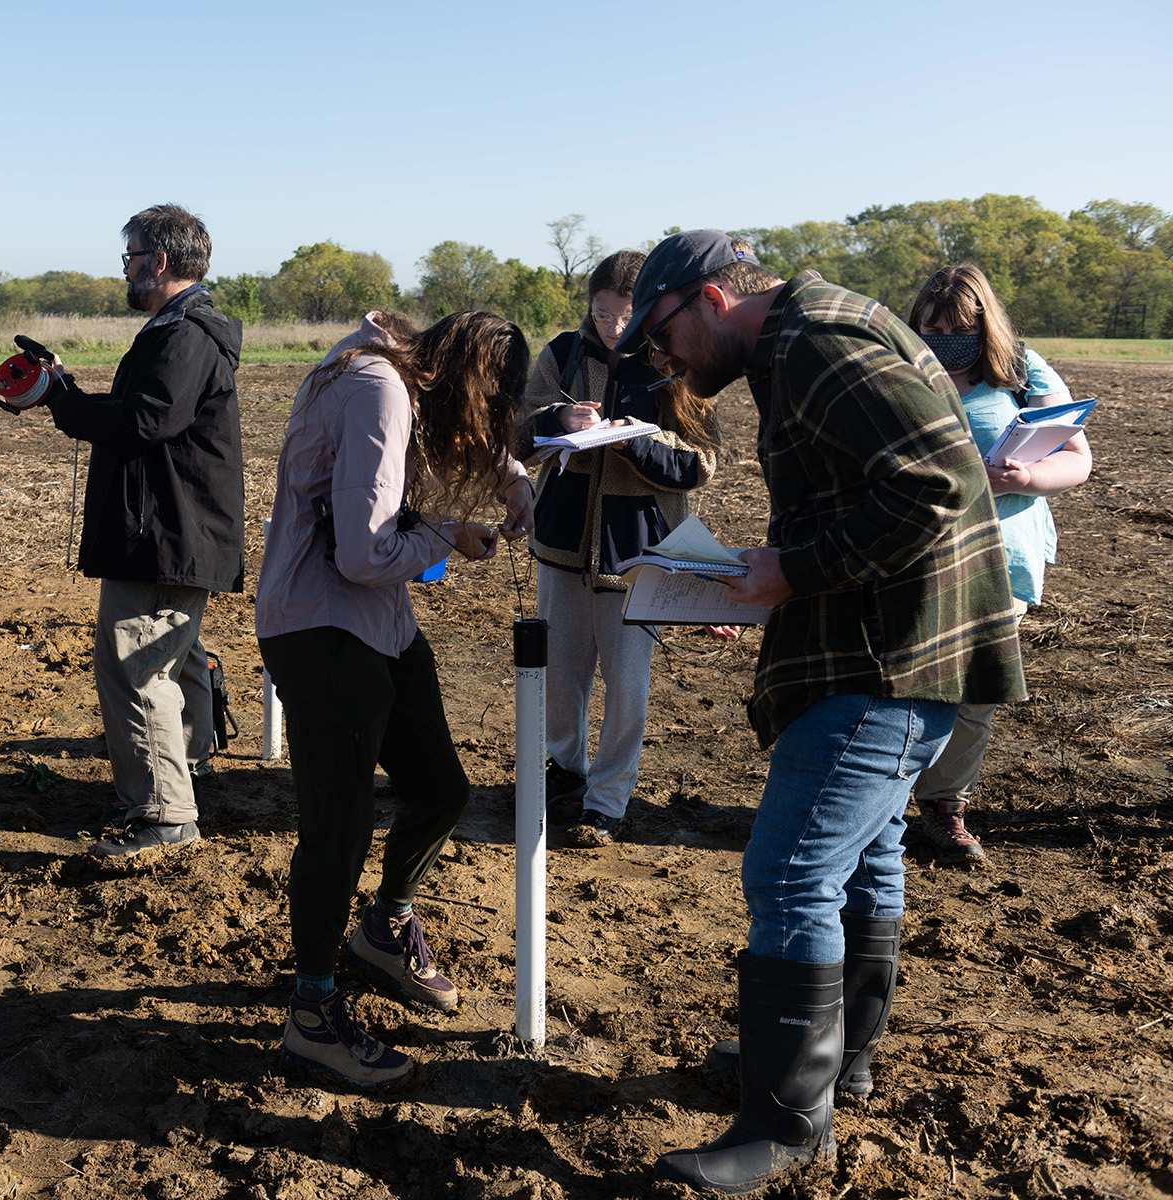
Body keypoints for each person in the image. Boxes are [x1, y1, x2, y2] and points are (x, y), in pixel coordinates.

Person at [613, 231, 1025, 1193]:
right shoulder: (825, 325)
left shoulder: (814, 344)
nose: (660, 356)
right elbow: (873, 485)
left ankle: (787, 1121)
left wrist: (792, 570)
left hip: (883, 660)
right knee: (863, 860)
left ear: (712, 298)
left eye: (663, 330)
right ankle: (840, 1063)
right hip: (892, 645)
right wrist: (758, 579)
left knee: (792, 871)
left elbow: (938, 481)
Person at [256, 309, 535, 1089]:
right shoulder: (378, 387)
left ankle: (382, 929)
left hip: (379, 623)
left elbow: (461, 439)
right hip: (320, 626)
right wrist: (445, 534)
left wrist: (512, 476)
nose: (484, 424)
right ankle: (313, 1013)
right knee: (337, 831)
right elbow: (362, 551)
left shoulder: (392, 363)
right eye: (489, 403)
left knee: (442, 788)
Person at [36, 204, 244, 858]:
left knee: (135, 667)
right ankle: (181, 778)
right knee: (171, 660)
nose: (124, 269)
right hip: (176, 533)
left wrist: (61, 403)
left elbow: (144, 420)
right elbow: (144, 413)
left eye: (129, 257)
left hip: (165, 535)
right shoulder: (183, 330)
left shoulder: (182, 336)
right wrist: (64, 388)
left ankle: (162, 815)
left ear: (158, 261)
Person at [522, 249, 721, 845]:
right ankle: (566, 771)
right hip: (560, 542)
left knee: (627, 687)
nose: (611, 327)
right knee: (560, 676)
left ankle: (607, 801)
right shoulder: (562, 353)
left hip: (637, 553)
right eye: (600, 313)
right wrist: (560, 420)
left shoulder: (674, 362)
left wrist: (633, 445)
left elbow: (700, 463)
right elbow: (519, 428)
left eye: (623, 315)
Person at [906, 265, 1091, 866]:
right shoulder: (903, 365)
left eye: (958, 330)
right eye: (931, 328)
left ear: (985, 326)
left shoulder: (1023, 371)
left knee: (975, 691)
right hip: (913, 550)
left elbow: (1076, 457)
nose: (943, 340)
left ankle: (943, 807)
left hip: (1001, 554)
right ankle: (879, 800)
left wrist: (1029, 475)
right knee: (902, 679)